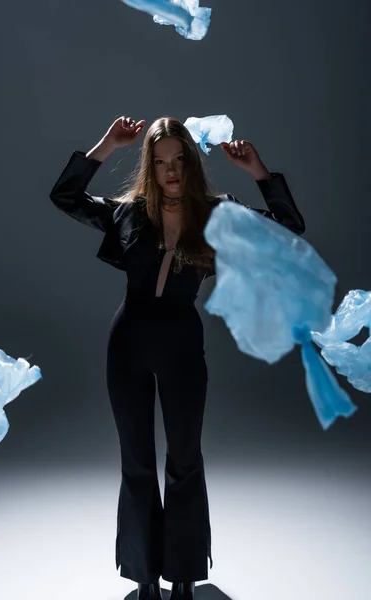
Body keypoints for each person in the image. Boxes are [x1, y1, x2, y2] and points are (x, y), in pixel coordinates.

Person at [49, 116, 305, 600]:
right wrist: (107, 144)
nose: (170, 170)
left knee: (185, 461)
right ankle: (145, 578)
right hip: (127, 343)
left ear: (190, 161)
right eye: (160, 161)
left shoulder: (217, 213)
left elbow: (289, 228)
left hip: (182, 345)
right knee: (137, 462)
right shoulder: (129, 212)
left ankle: (184, 575)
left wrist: (260, 173)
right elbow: (64, 197)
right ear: (150, 165)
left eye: (178, 159)